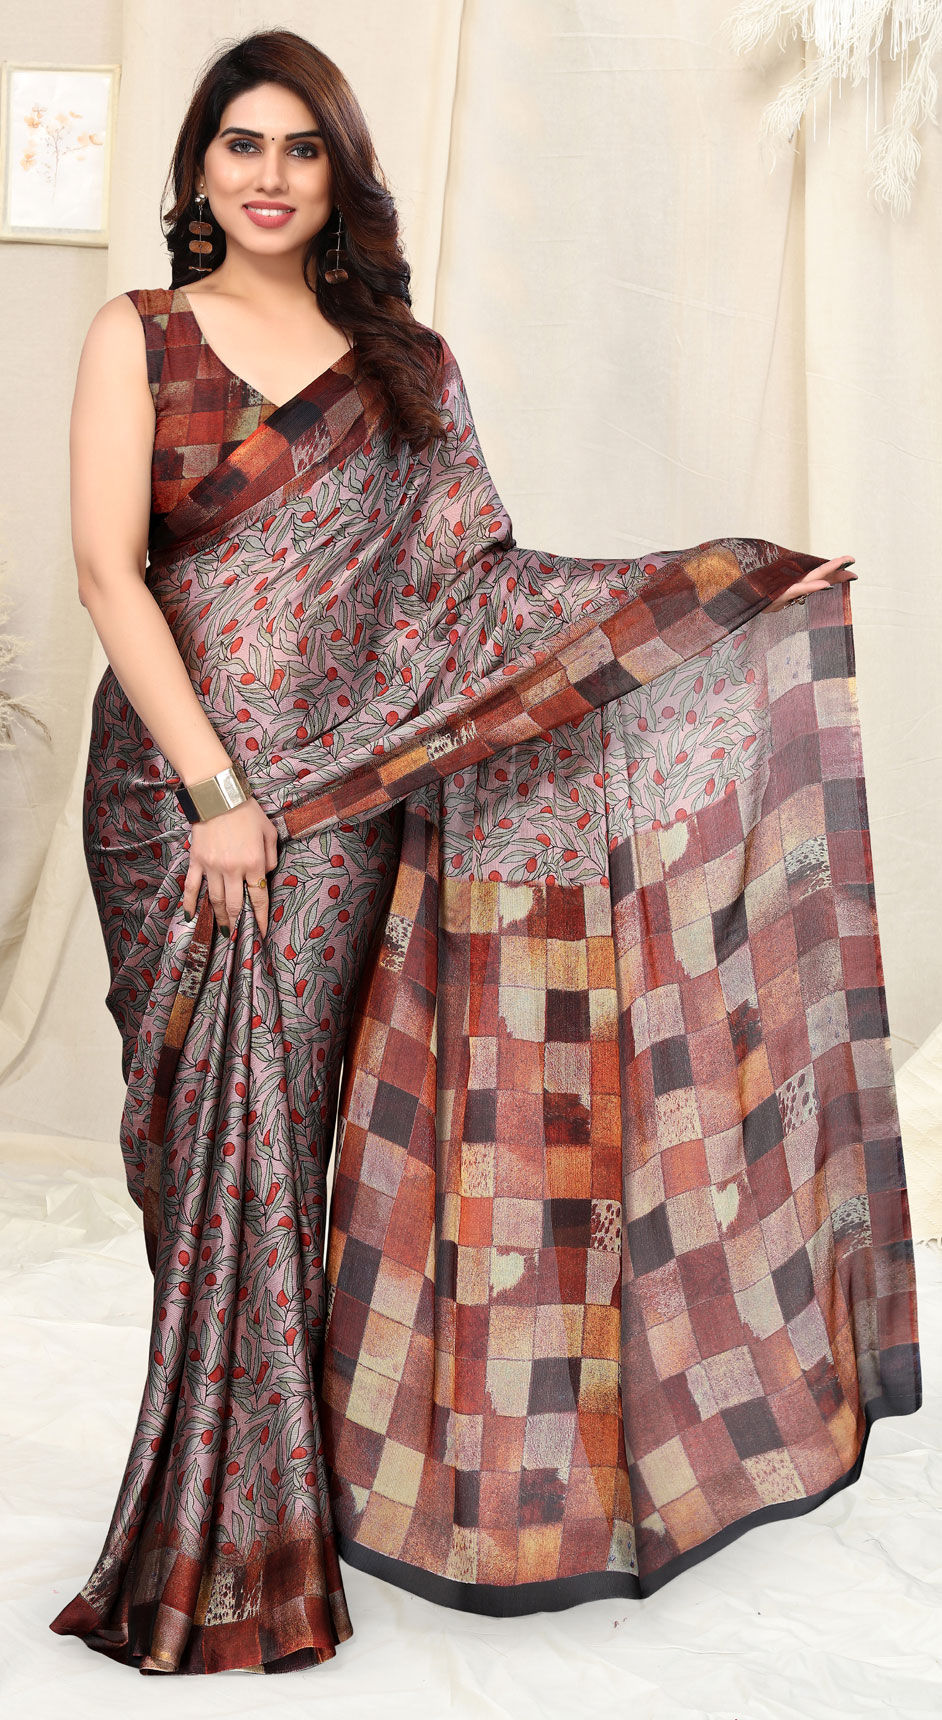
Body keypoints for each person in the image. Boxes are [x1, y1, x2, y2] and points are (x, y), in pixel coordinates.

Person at [50, 27, 921, 1677]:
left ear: (340, 175)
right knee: (186, 1140)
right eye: (240, 144)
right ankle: (223, 1494)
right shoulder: (140, 336)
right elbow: (108, 571)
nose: (267, 176)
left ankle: (256, 1538)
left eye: (301, 148)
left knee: (283, 1140)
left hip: (335, 804)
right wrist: (216, 791)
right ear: (198, 169)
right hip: (177, 799)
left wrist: (721, 591)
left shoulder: (409, 369)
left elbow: (480, 595)